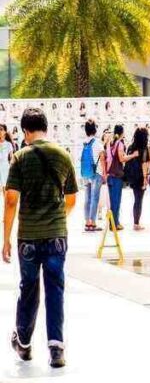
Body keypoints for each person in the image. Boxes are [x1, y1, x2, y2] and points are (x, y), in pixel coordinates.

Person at [3, 107, 78, 368]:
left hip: (28, 237)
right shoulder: (63, 155)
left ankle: (23, 343)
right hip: (57, 235)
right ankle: (56, 348)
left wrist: (6, 239)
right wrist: (57, 221)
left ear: (25, 131)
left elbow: (11, 200)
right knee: (55, 289)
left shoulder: (20, 157)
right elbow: (71, 199)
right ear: (46, 127)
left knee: (29, 288)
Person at [104, 125, 130, 231]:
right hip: (116, 176)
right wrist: (133, 156)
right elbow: (122, 158)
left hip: (110, 174)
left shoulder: (110, 143)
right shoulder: (119, 144)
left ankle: (112, 222)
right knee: (116, 200)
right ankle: (115, 223)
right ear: (122, 133)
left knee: (112, 201)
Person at [124, 127, 150, 231]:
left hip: (131, 176)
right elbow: (144, 164)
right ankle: (136, 223)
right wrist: (145, 178)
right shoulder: (144, 148)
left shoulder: (130, 147)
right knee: (139, 200)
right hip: (140, 177)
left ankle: (136, 222)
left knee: (136, 199)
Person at [79, 120, 103, 232]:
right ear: (95, 129)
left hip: (85, 173)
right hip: (96, 173)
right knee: (95, 197)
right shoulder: (97, 142)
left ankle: (87, 221)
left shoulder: (83, 143)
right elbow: (102, 158)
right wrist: (105, 173)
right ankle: (93, 222)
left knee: (87, 198)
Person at [0, 124, 14, 190]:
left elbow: (12, 158)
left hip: (5, 167)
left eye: (1, 129)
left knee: (5, 188)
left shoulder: (8, 144)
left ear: (5, 131)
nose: (0, 131)